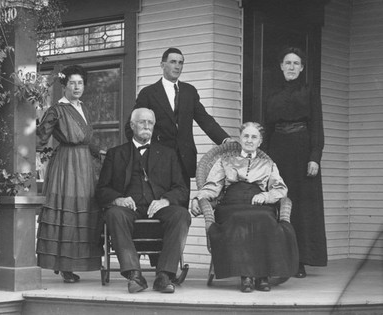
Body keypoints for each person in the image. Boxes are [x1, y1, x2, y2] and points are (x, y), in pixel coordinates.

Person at [191, 122, 299, 293]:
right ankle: (246, 277)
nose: (249, 140)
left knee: (264, 217)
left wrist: (265, 196)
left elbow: (280, 189)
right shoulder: (224, 161)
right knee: (239, 217)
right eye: (246, 136)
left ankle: (262, 275)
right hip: (231, 205)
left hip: (259, 204)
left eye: (254, 137)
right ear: (240, 138)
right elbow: (212, 186)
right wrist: (198, 198)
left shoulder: (268, 164)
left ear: (260, 141)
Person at [97, 108, 191, 294]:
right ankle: (134, 275)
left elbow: (181, 189)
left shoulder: (168, 154)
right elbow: (101, 190)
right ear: (132, 125)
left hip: (159, 207)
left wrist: (165, 200)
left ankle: (164, 275)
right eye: (142, 122)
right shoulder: (115, 154)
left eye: (150, 122)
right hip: (128, 208)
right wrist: (118, 199)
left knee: (181, 215)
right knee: (114, 214)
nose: (147, 126)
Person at [126, 47, 232, 195]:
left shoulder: (189, 91)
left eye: (180, 63)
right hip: (157, 160)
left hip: (184, 159)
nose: (177, 66)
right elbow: (131, 127)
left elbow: (205, 119)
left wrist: (225, 139)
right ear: (163, 65)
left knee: (181, 203)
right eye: (173, 62)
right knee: (158, 204)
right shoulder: (148, 93)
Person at [263, 47, 327, 278]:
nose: (291, 67)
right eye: (287, 62)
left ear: (302, 68)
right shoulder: (271, 94)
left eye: (296, 63)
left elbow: (317, 126)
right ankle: (279, 258)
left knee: (300, 206)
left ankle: (299, 260)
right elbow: (266, 128)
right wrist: (265, 159)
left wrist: (314, 157)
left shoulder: (309, 92)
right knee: (278, 202)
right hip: (277, 151)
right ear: (281, 66)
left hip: (302, 152)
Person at [36, 65, 102, 283]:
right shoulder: (57, 110)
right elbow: (39, 137)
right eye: (72, 83)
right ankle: (64, 266)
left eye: (80, 83)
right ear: (64, 86)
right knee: (67, 212)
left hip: (85, 163)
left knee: (83, 210)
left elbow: (87, 138)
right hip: (67, 164)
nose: (76, 87)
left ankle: (79, 263)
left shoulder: (83, 108)